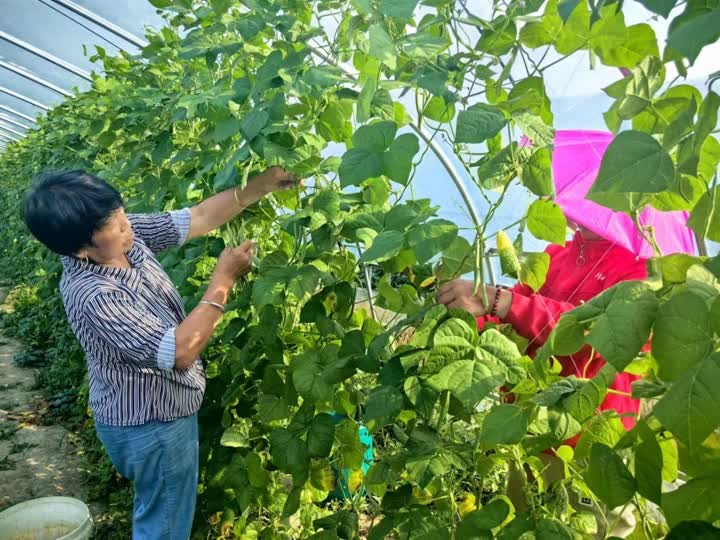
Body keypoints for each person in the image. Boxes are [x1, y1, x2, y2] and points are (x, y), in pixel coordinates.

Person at [21, 167, 298, 539]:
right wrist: (222, 282)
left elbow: (197, 218)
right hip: (150, 425)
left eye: (121, 213)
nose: (126, 226)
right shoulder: (93, 295)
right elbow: (178, 351)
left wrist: (259, 187)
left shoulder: (117, 234)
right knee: (163, 527)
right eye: (115, 225)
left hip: (158, 411)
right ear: (79, 249)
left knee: (159, 508)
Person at [437, 222, 647, 538]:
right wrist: (467, 313)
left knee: (592, 529)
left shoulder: (642, 269)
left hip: (590, 439)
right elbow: (507, 312)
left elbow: (605, 334)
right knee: (526, 524)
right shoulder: (555, 254)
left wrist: (505, 302)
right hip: (530, 424)